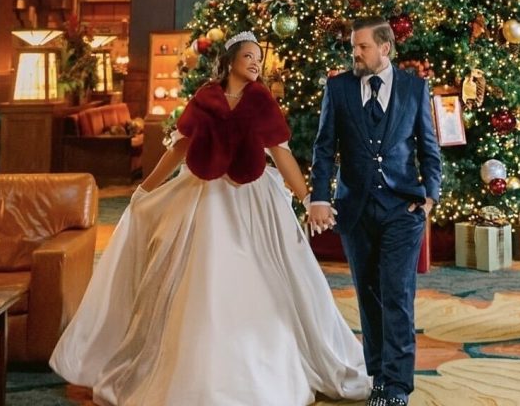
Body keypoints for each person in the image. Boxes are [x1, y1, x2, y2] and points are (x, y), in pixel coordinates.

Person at [50, 31, 370, 406]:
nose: (256, 63)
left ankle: (263, 370)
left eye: (259, 59)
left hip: (252, 199)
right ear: (231, 59)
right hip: (206, 196)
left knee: (271, 276)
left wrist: (307, 196)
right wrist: (146, 189)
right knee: (202, 275)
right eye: (249, 56)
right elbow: (179, 149)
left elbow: (280, 154)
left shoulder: (262, 100)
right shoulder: (205, 98)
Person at [308, 17, 442, 406]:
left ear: (385, 48)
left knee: (396, 292)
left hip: (403, 207)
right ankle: (379, 378)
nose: (355, 53)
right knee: (368, 295)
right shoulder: (339, 88)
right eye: (353, 46)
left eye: (362, 46)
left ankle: (398, 385)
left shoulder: (414, 88)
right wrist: (319, 197)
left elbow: (429, 150)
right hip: (355, 209)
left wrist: (429, 195)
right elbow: (323, 147)